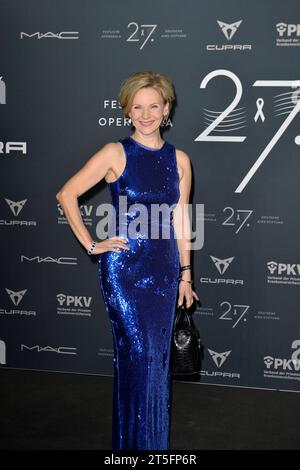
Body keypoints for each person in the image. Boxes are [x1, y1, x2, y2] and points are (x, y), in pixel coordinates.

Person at [56, 70, 199, 450]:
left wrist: (186, 273)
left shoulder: (180, 160)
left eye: (154, 106)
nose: (146, 114)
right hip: (126, 271)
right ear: (127, 111)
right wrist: (91, 244)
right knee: (136, 355)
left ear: (166, 108)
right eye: (138, 107)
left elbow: (181, 219)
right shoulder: (114, 152)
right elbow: (67, 194)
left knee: (158, 362)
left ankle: (154, 445)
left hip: (166, 270)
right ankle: (132, 446)